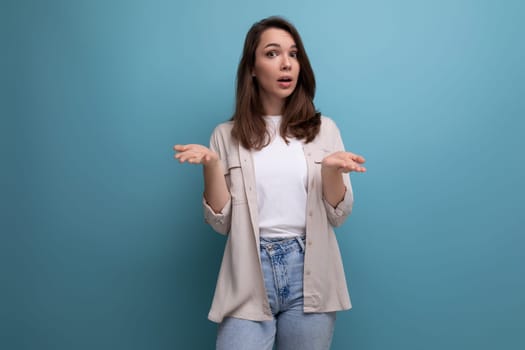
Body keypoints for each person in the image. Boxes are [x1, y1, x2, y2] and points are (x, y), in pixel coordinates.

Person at [173, 16, 366, 350]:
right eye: (273, 53)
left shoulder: (325, 130)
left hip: (310, 272)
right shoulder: (225, 136)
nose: (286, 63)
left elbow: (338, 215)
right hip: (248, 271)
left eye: (293, 54)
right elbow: (221, 223)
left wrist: (332, 172)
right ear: (252, 66)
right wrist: (212, 166)